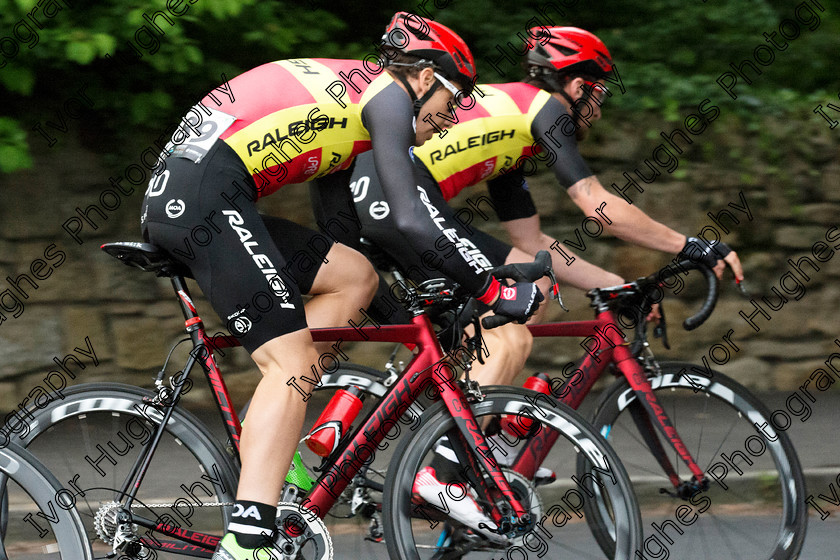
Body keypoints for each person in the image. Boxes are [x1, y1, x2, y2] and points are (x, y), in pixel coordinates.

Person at [312, 26, 745, 537]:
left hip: (368, 194)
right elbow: (597, 205)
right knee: (511, 323)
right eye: (598, 95)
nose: (598, 111)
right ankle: (453, 463)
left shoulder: (508, 129)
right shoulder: (546, 109)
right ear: (579, 87)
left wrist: (610, 282)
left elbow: (533, 248)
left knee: (524, 290)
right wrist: (692, 246)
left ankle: (465, 443)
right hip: (395, 194)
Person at [139, 13, 535, 560]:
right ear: (423, 79)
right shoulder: (387, 97)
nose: (450, 120)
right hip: (203, 200)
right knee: (292, 364)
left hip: (203, 191)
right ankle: (248, 538)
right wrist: (490, 286)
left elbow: (345, 238)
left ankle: (283, 427)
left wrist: (417, 315)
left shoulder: (352, 108)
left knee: (352, 275)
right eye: (453, 99)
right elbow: (410, 217)